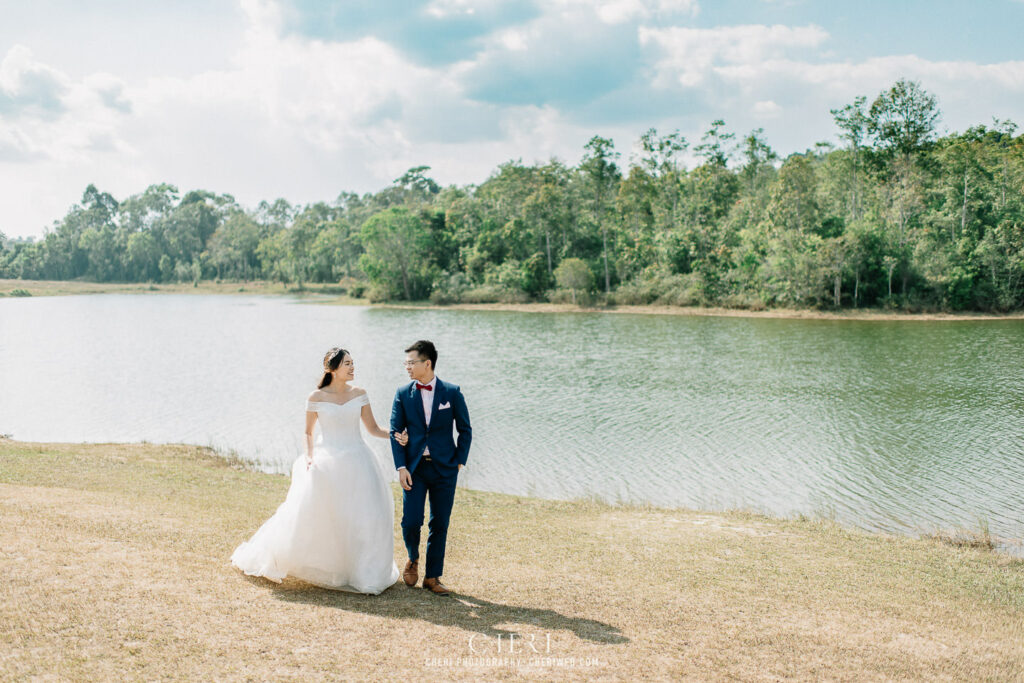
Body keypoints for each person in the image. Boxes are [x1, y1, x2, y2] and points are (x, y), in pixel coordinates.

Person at [230, 347, 406, 594]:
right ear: (331, 369)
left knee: (365, 516)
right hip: (328, 459)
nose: (352, 367)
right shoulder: (316, 397)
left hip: (358, 460)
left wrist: (395, 435)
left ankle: (364, 571)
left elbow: (373, 429)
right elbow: (307, 432)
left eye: (353, 363)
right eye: (347, 364)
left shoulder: (361, 394)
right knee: (318, 514)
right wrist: (310, 457)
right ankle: (316, 563)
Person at [390, 340, 472, 596]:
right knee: (411, 521)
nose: (407, 367)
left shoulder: (452, 392)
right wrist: (401, 466)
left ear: (427, 363)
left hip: (445, 469)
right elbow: (395, 432)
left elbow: (465, 430)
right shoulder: (403, 394)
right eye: (406, 363)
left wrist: (459, 460)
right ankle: (413, 557)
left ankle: (433, 577)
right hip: (414, 469)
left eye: (411, 363)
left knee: (440, 523)